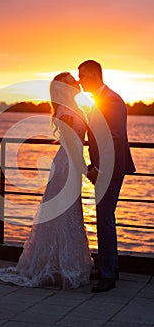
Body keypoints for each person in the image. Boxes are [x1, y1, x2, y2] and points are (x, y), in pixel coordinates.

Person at [0, 72, 92, 289]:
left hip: (70, 165)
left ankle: (64, 262)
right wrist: (86, 170)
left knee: (69, 214)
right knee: (64, 215)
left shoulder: (73, 108)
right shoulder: (65, 112)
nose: (77, 82)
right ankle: (60, 265)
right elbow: (71, 145)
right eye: (72, 81)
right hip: (66, 166)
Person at [78, 60, 136, 293]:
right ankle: (110, 266)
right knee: (104, 216)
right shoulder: (100, 100)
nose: (80, 79)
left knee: (104, 218)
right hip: (105, 167)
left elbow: (112, 138)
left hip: (111, 168)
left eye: (82, 75)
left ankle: (108, 275)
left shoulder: (111, 100)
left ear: (94, 75)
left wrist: (98, 168)